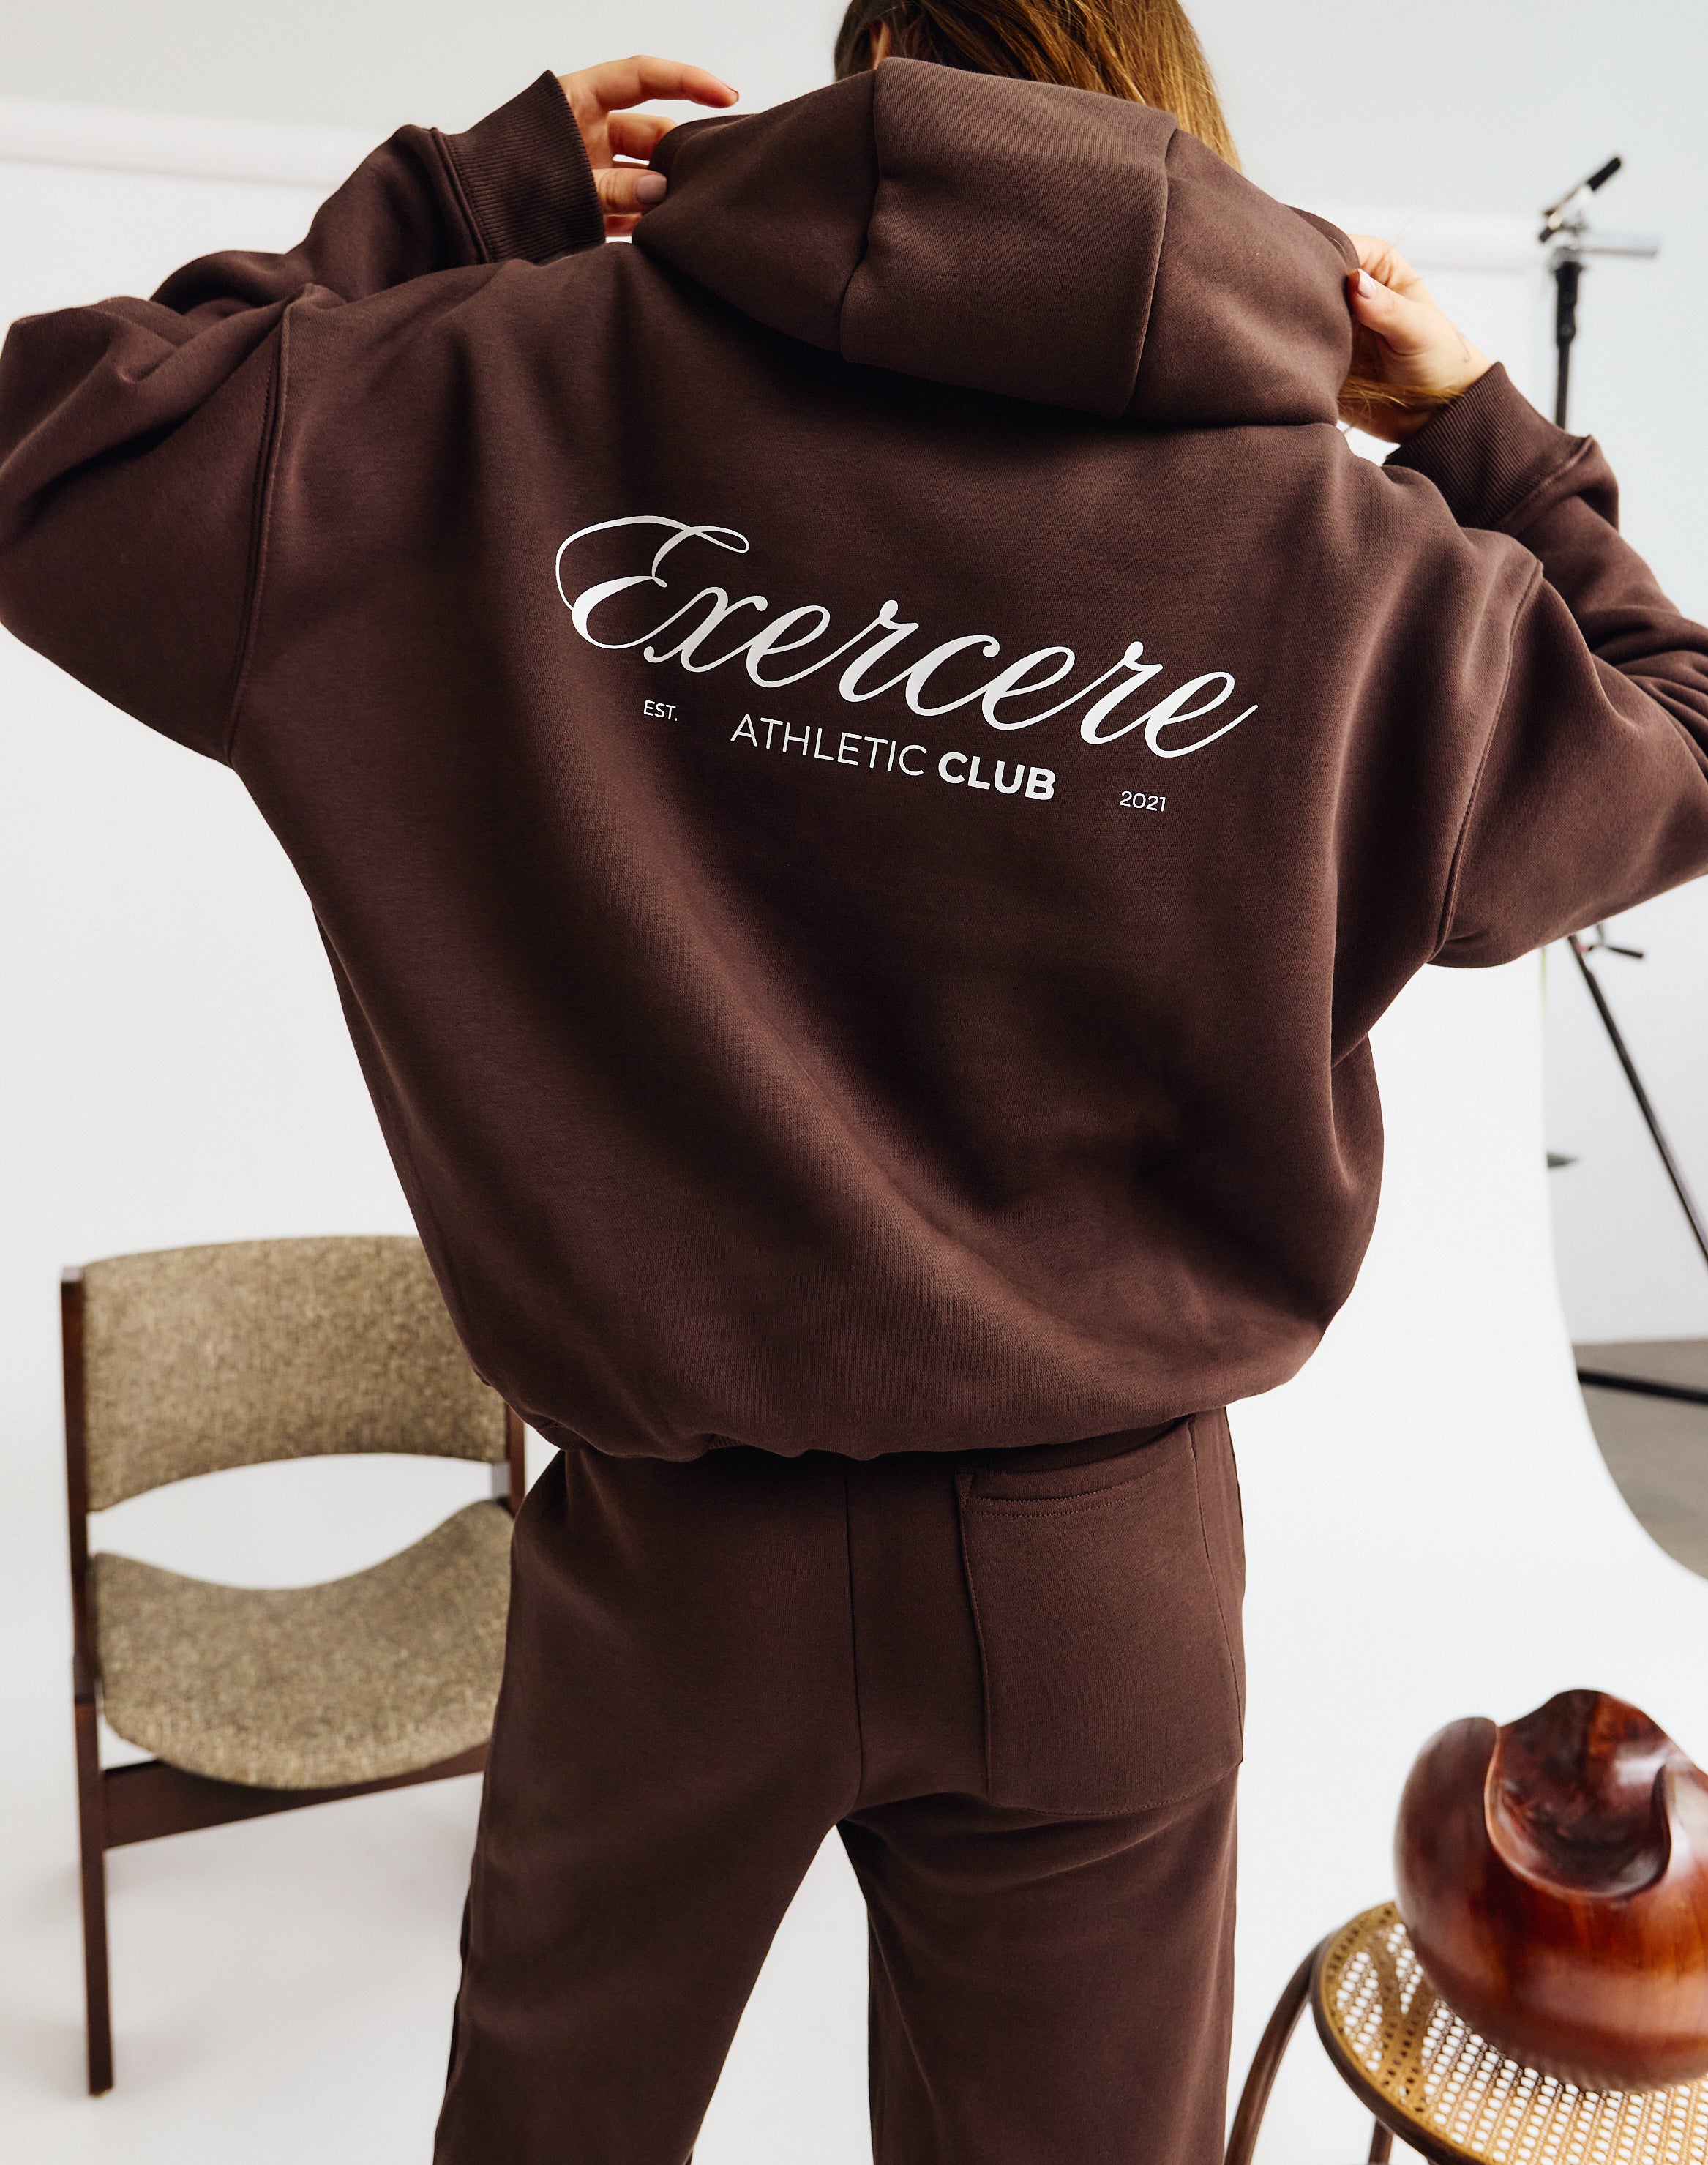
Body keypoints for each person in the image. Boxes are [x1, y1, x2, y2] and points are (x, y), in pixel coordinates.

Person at [3, 1, 1706, 2156]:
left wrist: (463, 205)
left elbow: (55, 450)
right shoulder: (1353, 563)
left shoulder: (503, 389)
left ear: (873, 76)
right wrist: (1469, 425)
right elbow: (1683, 733)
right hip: (1102, 1575)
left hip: (673, 1566)